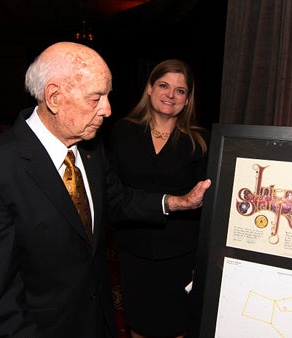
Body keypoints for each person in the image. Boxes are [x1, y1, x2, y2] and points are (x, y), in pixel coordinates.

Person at [0, 42, 211, 338]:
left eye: (108, 96)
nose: (108, 109)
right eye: (96, 98)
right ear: (54, 97)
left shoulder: (90, 150)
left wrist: (178, 202)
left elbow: (119, 200)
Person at [108, 59, 209, 338]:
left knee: (176, 324)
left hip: (179, 250)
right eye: (164, 85)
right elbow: (113, 191)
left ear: (187, 99)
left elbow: (205, 202)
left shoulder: (200, 140)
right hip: (133, 245)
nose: (170, 95)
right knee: (138, 322)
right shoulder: (123, 131)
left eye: (180, 91)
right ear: (150, 88)